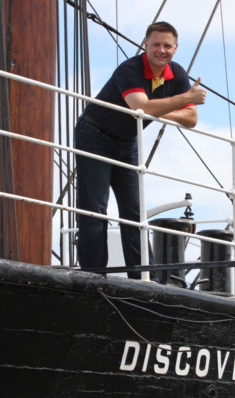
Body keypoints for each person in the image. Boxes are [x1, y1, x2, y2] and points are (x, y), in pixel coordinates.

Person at [75, 21, 206, 278]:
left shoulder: (176, 74)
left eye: (167, 46)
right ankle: (93, 275)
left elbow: (191, 119)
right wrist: (183, 100)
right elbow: (141, 106)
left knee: (134, 213)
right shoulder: (130, 69)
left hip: (128, 141)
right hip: (95, 135)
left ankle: (145, 278)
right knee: (95, 209)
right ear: (145, 44)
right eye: (156, 44)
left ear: (175, 48)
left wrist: (160, 108)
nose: (161, 50)